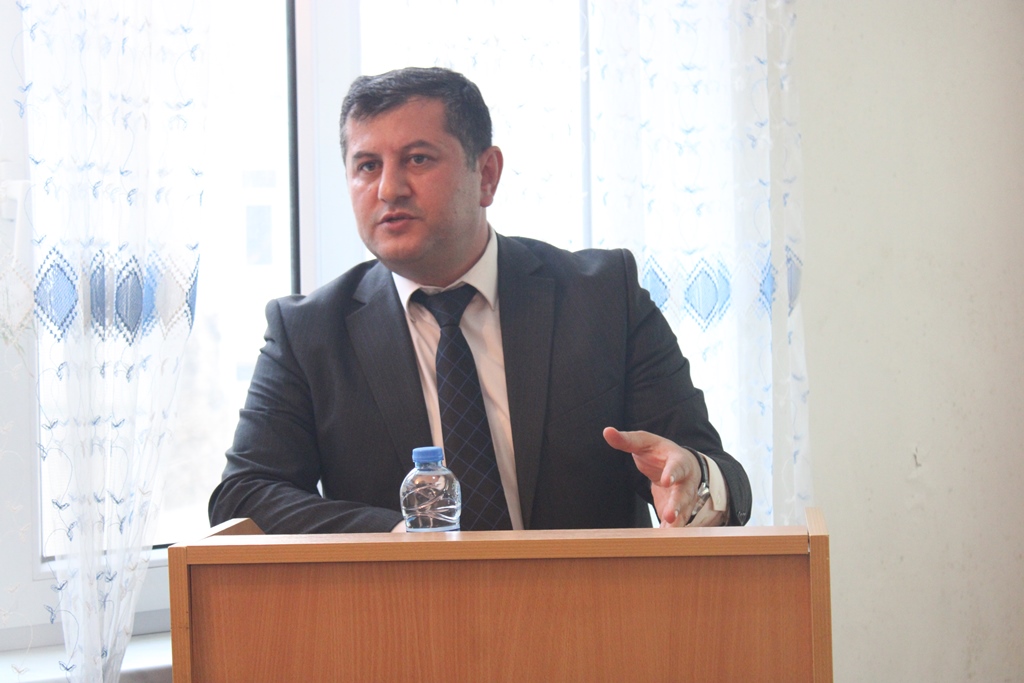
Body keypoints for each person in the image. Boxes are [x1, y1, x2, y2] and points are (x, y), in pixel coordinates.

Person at [209, 67, 751, 534]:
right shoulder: (309, 332)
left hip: (587, 611)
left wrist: (695, 484)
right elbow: (243, 495)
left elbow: (716, 473)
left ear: (486, 174)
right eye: (367, 165)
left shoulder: (603, 297)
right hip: (402, 616)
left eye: (417, 159)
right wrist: (396, 535)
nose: (389, 189)